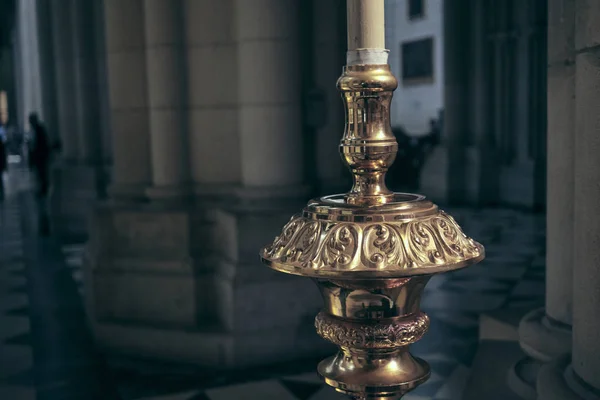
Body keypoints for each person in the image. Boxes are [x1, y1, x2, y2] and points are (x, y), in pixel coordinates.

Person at [28, 113, 51, 198]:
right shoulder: (34, 130)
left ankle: (44, 189)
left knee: (42, 173)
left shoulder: (39, 129)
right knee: (40, 173)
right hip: (38, 156)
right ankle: (42, 188)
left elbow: (42, 143)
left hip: (40, 155)